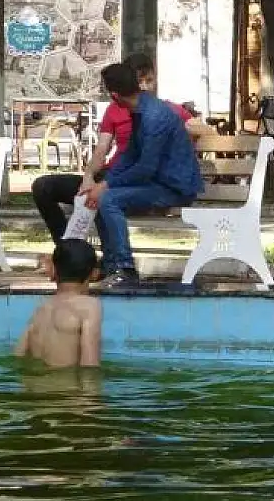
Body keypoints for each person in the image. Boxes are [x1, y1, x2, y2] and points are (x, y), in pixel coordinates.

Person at [31, 53, 201, 247]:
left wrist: (184, 130)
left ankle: (116, 265)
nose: (144, 87)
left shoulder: (164, 111)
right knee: (43, 187)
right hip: (113, 175)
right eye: (139, 81)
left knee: (104, 198)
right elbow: (103, 149)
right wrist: (88, 177)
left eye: (149, 81)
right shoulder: (118, 110)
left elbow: (148, 166)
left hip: (139, 183)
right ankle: (68, 253)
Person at [82, 63, 203, 287]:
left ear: (114, 95)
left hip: (174, 188)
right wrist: (103, 183)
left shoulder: (153, 116)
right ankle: (111, 266)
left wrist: (106, 187)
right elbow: (130, 155)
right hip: (158, 182)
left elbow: (146, 167)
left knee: (108, 199)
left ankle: (125, 269)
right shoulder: (141, 108)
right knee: (101, 196)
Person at [14, 239, 102, 368]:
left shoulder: (41, 309)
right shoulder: (89, 306)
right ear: (95, 273)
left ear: (53, 271)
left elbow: (18, 356)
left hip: (34, 386)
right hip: (67, 388)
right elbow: (89, 366)